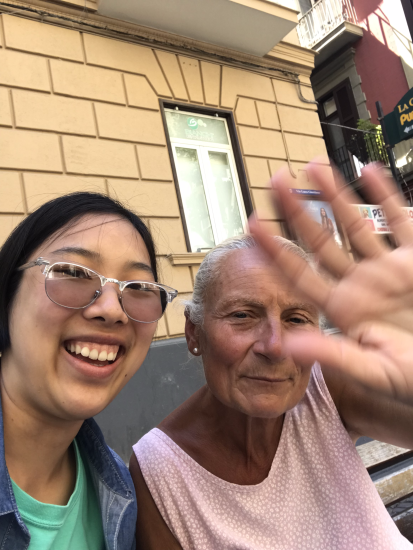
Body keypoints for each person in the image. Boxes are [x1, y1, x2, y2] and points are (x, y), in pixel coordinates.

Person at [130, 162, 413, 550]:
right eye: (243, 315)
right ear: (194, 333)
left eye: (297, 318)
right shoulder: (159, 471)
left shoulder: (324, 387)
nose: (275, 346)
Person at [0, 192, 177, 550]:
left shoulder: (118, 489)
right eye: (72, 272)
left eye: (139, 287)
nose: (112, 310)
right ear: (7, 297)